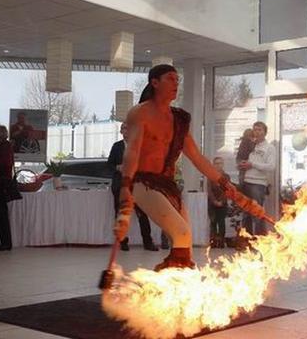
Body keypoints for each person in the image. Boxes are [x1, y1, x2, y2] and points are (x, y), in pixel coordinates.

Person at [114, 64, 273, 271]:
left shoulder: (178, 120)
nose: (176, 83)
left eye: (177, 80)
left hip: (167, 185)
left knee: (184, 242)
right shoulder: (140, 113)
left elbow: (198, 159)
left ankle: (171, 288)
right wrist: (125, 196)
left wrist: (231, 189)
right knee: (182, 232)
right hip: (142, 181)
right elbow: (132, 153)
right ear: (154, 83)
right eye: (170, 79)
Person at [108, 122, 159, 252]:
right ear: (121, 132)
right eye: (123, 129)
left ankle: (148, 242)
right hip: (120, 185)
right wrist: (117, 167)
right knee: (121, 214)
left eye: (128, 129)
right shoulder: (116, 147)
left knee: (143, 214)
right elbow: (108, 165)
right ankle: (123, 242)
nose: (126, 131)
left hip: (136, 185)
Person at [238, 121, 276, 236]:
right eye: (255, 129)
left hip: (258, 185)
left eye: (259, 129)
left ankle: (262, 240)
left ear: (265, 132)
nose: (257, 132)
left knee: (257, 213)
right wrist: (242, 164)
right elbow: (242, 160)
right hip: (246, 181)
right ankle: (248, 241)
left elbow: (271, 166)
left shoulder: (270, 148)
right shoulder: (250, 145)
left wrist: (252, 164)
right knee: (246, 214)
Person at [207, 157, 229, 248]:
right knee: (213, 222)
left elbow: (227, 190)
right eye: (216, 163)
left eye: (220, 163)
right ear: (213, 165)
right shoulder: (210, 175)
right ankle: (213, 241)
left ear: (223, 164)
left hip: (222, 203)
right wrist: (214, 201)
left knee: (221, 222)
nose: (218, 165)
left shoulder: (226, 176)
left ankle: (221, 242)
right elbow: (209, 190)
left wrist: (221, 201)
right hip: (212, 203)